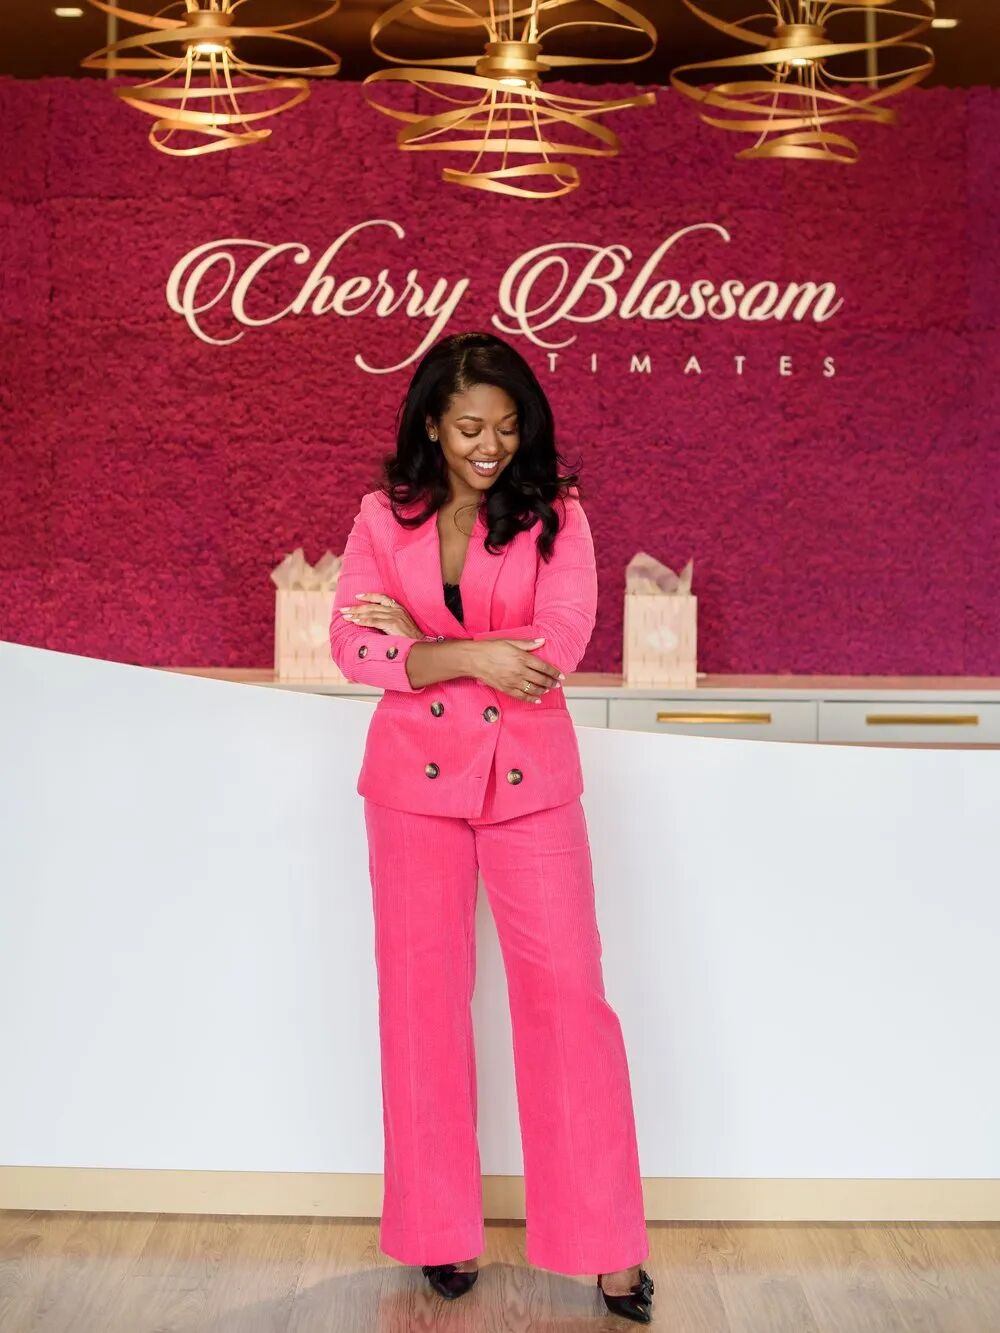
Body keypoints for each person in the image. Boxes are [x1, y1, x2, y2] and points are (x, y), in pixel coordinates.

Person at [329, 331, 654, 1324]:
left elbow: (556, 645)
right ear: (433, 422)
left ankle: (607, 1247)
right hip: (409, 789)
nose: (490, 446)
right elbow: (349, 643)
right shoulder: (381, 515)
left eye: (507, 428)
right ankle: (440, 1231)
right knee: (419, 1007)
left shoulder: (559, 515)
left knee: (568, 1004)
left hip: (530, 784)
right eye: (471, 426)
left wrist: (421, 644)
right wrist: (468, 655)